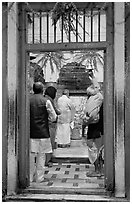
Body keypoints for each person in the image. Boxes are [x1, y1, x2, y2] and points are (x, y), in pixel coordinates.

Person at [30, 82, 57, 183]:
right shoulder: (46, 101)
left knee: (31, 156)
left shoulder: (27, 100)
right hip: (43, 131)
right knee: (41, 156)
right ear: (42, 90)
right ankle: (39, 178)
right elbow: (53, 117)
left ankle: (29, 178)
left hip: (30, 132)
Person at [82, 78, 104, 170]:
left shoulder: (97, 98)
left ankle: (98, 169)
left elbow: (91, 116)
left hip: (95, 126)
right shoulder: (96, 98)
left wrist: (85, 123)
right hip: (96, 125)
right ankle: (98, 168)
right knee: (96, 148)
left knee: (94, 147)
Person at [44, 86, 61, 166]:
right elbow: (55, 112)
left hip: (44, 124)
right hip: (50, 124)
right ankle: (47, 161)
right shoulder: (49, 100)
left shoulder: (45, 98)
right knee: (50, 143)